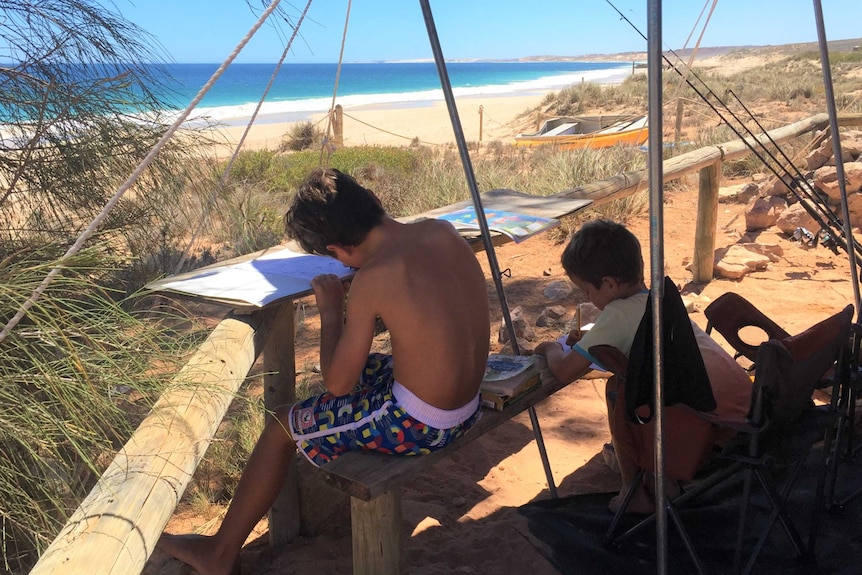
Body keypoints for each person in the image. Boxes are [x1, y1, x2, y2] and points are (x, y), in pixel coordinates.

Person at [158, 168, 491, 575]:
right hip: (469, 402)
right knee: (362, 371)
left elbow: (338, 385)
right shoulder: (443, 232)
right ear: (370, 199)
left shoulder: (375, 276)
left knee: (282, 424)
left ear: (337, 250)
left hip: (424, 424)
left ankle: (221, 552)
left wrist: (332, 311)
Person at [535, 219, 751, 515]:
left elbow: (564, 371)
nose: (587, 298)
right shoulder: (657, 299)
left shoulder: (617, 314)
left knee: (619, 391)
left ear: (609, 284)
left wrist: (549, 347)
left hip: (708, 418)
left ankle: (635, 491)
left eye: (587, 291)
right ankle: (656, 479)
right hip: (745, 409)